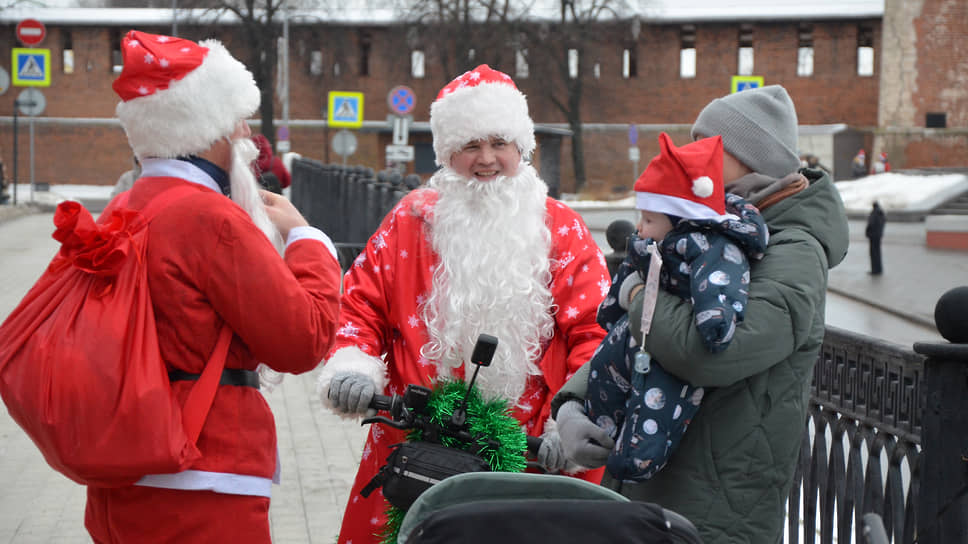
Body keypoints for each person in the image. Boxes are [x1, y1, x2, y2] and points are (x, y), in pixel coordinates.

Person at [315, 64, 610, 544]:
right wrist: (353, 364)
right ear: (447, 154)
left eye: (499, 143)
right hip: (415, 449)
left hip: (529, 456)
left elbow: (596, 331)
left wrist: (575, 417)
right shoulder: (408, 222)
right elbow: (360, 303)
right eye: (471, 146)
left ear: (522, 148)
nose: (487, 159)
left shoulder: (562, 229)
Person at [553, 84, 849, 544]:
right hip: (656, 483)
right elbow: (636, 339)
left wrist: (635, 296)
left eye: (709, 144)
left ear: (753, 161)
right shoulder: (705, 226)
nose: (695, 155)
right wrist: (575, 402)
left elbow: (706, 353)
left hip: (715, 507)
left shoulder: (795, 252)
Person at [84, 30, 343, 543]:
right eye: (239, 121)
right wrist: (307, 238)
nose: (246, 134)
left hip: (123, 472)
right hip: (203, 481)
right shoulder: (209, 218)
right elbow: (304, 339)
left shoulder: (124, 208)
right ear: (212, 131)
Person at [585, 132, 768, 482]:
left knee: (659, 401)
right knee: (603, 370)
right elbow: (628, 275)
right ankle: (602, 428)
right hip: (635, 336)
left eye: (649, 220)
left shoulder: (712, 245)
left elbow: (720, 281)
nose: (640, 228)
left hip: (668, 349)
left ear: (683, 219)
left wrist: (714, 319)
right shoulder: (652, 241)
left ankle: (636, 460)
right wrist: (613, 306)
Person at [866, 201, 886, 275]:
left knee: (874, 253)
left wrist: (867, 232)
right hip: (878, 236)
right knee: (878, 253)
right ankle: (879, 269)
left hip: (873, 236)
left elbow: (871, 224)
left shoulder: (874, 213)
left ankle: (875, 270)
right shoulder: (881, 213)